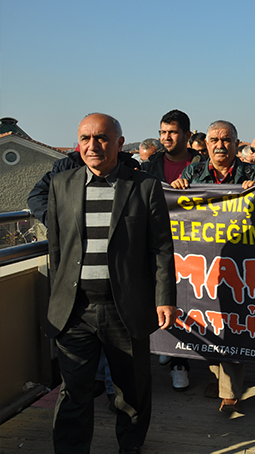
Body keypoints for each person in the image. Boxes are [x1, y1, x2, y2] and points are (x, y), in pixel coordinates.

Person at [47, 113, 177, 454]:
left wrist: (164, 297)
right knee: (73, 392)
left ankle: (130, 447)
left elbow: (161, 248)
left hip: (125, 309)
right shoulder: (61, 185)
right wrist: (58, 300)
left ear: (119, 143)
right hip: (75, 311)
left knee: (130, 392)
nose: (92, 145)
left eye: (101, 138)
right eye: (85, 138)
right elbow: (56, 250)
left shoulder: (144, 186)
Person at [171, 121, 255, 414]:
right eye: (214, 140)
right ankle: (218, 377)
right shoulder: (193, 172)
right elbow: (180, 208)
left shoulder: (252, 173)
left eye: (226, 140)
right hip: (204, 259)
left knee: (233, 322)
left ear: (237, 144)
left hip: (241, 258)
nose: (220, 145)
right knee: (209, 316)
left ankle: (229, 391)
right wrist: (178, 188)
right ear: (206, 144)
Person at [140, 109, 204, 391]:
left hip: (196, 245)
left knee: (189, 301)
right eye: (163, 132)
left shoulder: (202, 165)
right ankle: (169, 348)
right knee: (163, 298)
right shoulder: (150, 165)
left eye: (173, 132)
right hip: (159, 244)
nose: (166, 137)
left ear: (187, 135)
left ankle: (180, 363)